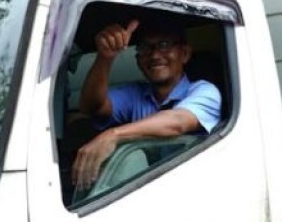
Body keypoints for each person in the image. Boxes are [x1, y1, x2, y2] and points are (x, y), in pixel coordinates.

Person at [72, 17, 221, 191]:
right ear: (138, 59)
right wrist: (105, 57)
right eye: (145, 48)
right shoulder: (135, 93)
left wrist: (114, 135)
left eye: (164, 45)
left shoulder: (205, 91)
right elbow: (91, 107)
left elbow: (178, 121)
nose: (155, 55)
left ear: (185, 54)